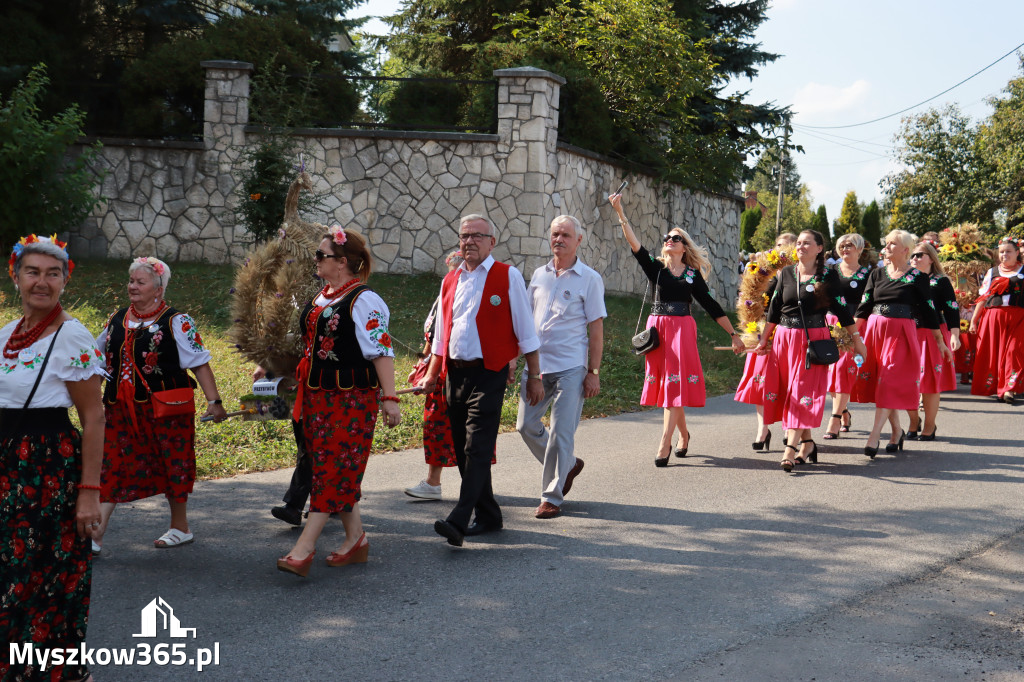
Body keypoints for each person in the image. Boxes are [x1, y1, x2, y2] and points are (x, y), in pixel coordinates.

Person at [1, 235, 106, 682]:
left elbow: (94, 416)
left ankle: (50, 668)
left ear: (65, 280)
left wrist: (89, 491)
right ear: (15, 276)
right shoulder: (6, 333)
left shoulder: (72, 335)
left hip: (47, 469)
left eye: (52, 273)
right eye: (33, 272)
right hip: (7, 466)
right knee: (11, 568)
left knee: (46, 569)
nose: (41, 282)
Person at [276, 227, 401, 576]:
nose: (315, 260)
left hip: (351, 401)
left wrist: (390, 398)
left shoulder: (364, 300)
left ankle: (304, 549)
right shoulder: (323, 296)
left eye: (321, 255)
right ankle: (356, 539)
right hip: (317, 397)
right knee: (332, 468)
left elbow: (382, 352)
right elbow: (310, 345)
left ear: (342, 262)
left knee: (332, 470)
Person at [417, 214, 543, 547]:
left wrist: (534, 375)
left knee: (477, 446)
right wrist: (433, 373)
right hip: (454, 373)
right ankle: (488, 514)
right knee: (461, 447)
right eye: (464, 236)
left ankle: (460, 518)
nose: (469, 241)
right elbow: (442, 334)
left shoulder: (507, 276)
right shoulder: (451, 280)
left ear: (492, 242)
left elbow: (526, 330)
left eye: (477, 236)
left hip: (490, 371)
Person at [94, 257, 227, 551]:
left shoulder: (176, 321)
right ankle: (97, 532)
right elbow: (97, 362)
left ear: (158, 288)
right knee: (113, 464)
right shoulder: (117, 320)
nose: (132, 287)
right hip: (120, 408)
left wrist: (214, 401)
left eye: (140, 282)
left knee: (173, 463)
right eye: (131, 281)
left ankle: (180, 527)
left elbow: (200, 363)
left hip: (164, 410)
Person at [609, 192, 744, 467]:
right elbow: (635, 245)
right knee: (670, 386)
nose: (669, 241)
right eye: (667, 239)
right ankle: (683, 434)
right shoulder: (656, 269)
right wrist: (620, 212)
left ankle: (664, 443)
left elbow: (711, 305)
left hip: (682, 330)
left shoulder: (692, 275)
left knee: (674, 385)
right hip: (658, 329)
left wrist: (733, 334)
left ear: (684, 247)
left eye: (676, 238)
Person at [516, 215, 606, 519]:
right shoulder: (538, 275)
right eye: (555, 234)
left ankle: (551, 497)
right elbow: (526, 322)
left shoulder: (590, 279)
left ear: (578, 240)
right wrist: (514, 361)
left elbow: (596, 330)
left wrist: (592, 372)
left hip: (571, 366)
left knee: (561, 433)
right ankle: (567, 464)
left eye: (566, 235)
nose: (559, 239)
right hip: (537, 366)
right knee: (525, 425)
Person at [754, 230, 867, 471]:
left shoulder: (828, 275)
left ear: (819, 249)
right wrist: (764, 339)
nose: (801, 246)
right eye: (799, 243)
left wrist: (857, 340)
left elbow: (841, 308)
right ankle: (807, 443)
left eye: (807, 243)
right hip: (784, 340)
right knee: (789, 392)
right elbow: (775, 309)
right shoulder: (786, 273)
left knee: (802, 391)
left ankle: (790, 450)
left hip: (812, 340)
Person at [851, 230, 951, 458]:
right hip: (876, 331)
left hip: (901, 334)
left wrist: (940, 341)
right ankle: (897, 431)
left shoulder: (918, 277)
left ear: (906, 250)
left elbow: (929, 310)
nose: (887, 247)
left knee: (888, 380)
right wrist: (851, 336)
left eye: (892, 244)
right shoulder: (876, 274)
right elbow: (864, 308)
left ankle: (874, 435)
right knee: (881, 383)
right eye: (886, 243)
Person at [404, 250, 465, 501]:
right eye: (450, 271)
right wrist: (420, 365)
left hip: (451, 372)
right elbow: (434, 337)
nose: (452, 276)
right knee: (437, 426)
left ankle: (465, 484)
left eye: (456, 271)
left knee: (453, 427)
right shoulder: (444, 294)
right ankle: (434, 482)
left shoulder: (462, 297)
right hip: (437, 371)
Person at [734, 232, 797, 451]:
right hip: (763, 333)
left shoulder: (802, 275)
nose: (784, 249)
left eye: (789, 246)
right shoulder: (761, 272)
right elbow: (748, 299)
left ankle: (791, 428)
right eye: (780, 245)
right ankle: (763, 428)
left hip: (791, 333)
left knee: (789, 382)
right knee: (760, 382)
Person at [906, 241, 960, 439]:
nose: (915, 259)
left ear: (931, 258)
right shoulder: (905, 279)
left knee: (929, 383)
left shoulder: (940, 281)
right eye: (912, 255)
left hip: (933, 334)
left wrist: (955, 334)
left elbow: (952, 307)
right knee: (905, 381)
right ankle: (914, 421)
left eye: (920, 255)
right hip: (908, 332)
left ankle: (929, 426)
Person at [823, 233, 873, 439]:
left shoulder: (869, 274)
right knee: (829, 371)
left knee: (844, 369)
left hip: (854, 324)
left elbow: (868, 302)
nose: (845, 249)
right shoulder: (829, 271)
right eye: (842, 246)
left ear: (860, 249)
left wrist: (853, 325)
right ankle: (844, 411)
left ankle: (834, 418)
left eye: (850, 246)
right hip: (829, 323)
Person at [969, 236, 1024, 404]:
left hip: (1019, 317)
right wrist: (974, 320)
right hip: (994, 317)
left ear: (1017, 253)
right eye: (1001, 252)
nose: (1004, 255)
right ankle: (998, 387)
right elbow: (983, 298)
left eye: (1008, 251)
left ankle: (1009, 388)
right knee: (995, 353)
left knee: (1014, 351)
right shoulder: (992, 272)